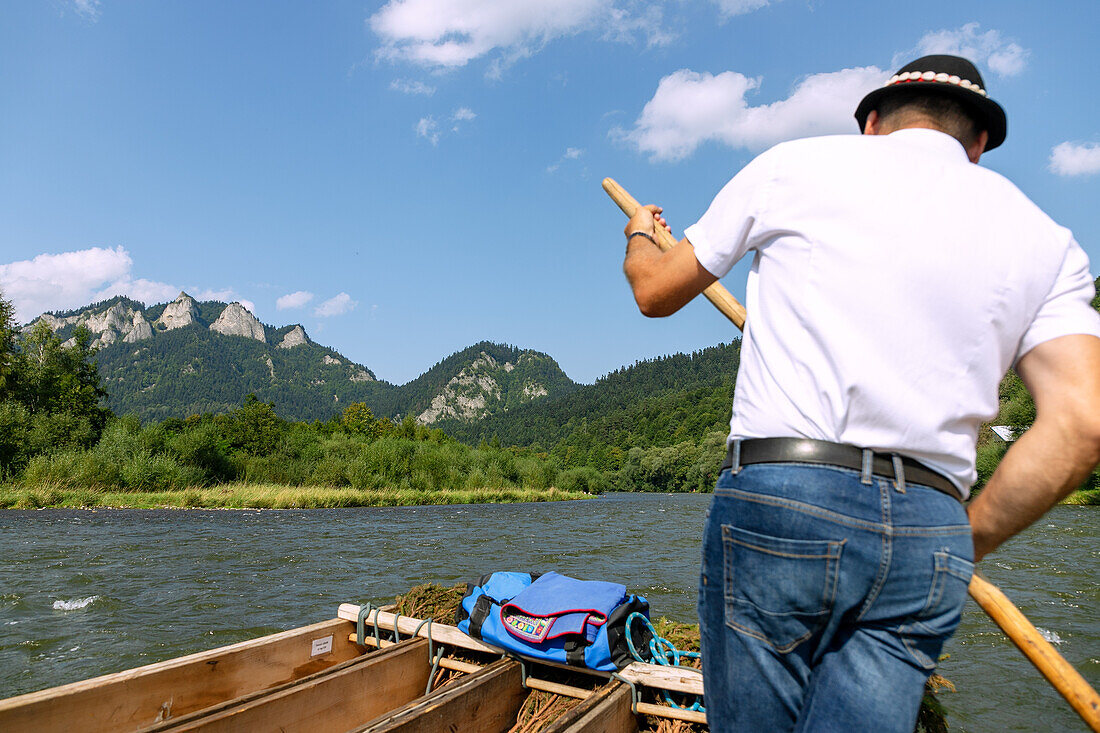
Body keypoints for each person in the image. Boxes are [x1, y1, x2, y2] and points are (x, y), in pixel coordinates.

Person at [620, 55, 1100, 732]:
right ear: (980, 143)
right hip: (929, 527)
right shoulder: (1048, 241)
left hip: (785, 495)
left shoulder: (792, 167)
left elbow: (653, 291)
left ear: (873, 123)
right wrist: (968, 537)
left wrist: (640, 233)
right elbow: (1081, 423)